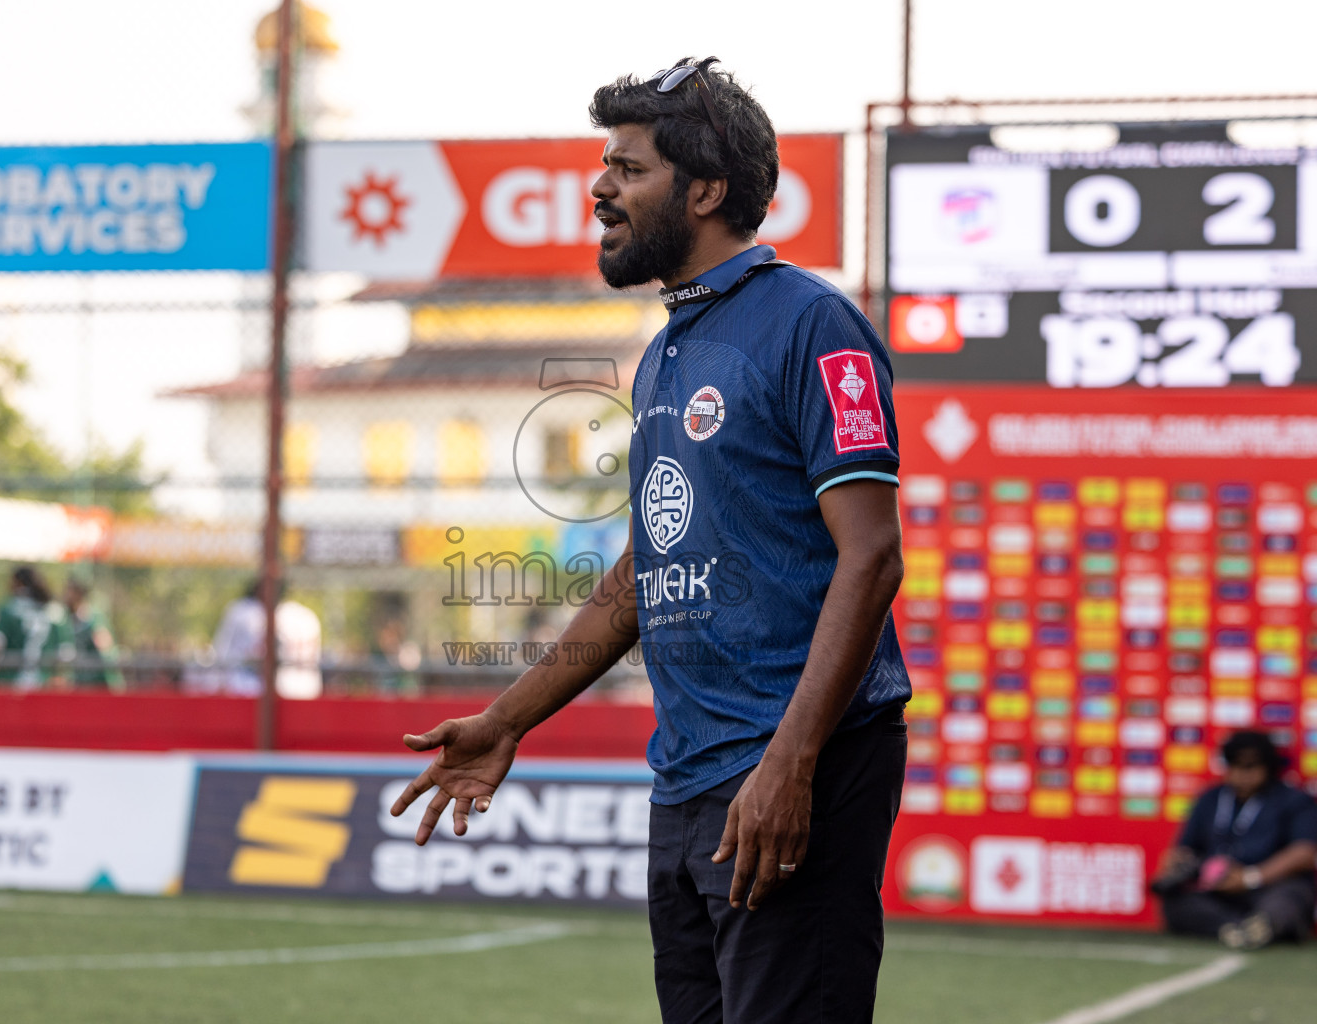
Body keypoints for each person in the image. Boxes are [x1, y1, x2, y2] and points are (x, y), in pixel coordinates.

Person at [391, 57, 909, 1024]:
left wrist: (790, 764)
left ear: (706, 190)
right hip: (689, 779)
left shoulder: (813, 324)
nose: (601, 188)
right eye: (606, 167)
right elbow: (647, 570)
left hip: (791, 768)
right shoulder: (670, 348)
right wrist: (507, 721)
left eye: (627, 169)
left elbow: (871, 554)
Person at [1152, 730, 1317, 950]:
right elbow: (1184, 848)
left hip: (1267, 885)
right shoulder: (1210, 798)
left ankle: (1261, 925)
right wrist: (1178, 868)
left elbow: (1305, 853)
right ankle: (1235, 928)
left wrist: (1251, 877)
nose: (1242, 773)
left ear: (1268, 766)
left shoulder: (1294, 800)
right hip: (1218, 889)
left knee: (1289, 899)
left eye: (1251, 766)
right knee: (1177, 903)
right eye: (1235, 765)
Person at [197, 580, 323, 699]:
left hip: (253, 691)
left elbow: (222, 653)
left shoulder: (241, 612)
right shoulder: (304, 616)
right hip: (296, 692)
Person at [0, 565, 67, 689]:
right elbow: (65, 653)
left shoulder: (9, 609)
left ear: (17, 583)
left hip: (11, 681)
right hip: (43, 683)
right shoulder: (56, 612)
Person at [61, 576, 125, 691]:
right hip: (79, 681)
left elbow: (105, 646)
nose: (65, 595)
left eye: (69, 591)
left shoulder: (93, 618)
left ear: (78, 594)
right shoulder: (67, 618)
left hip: (98, 681)